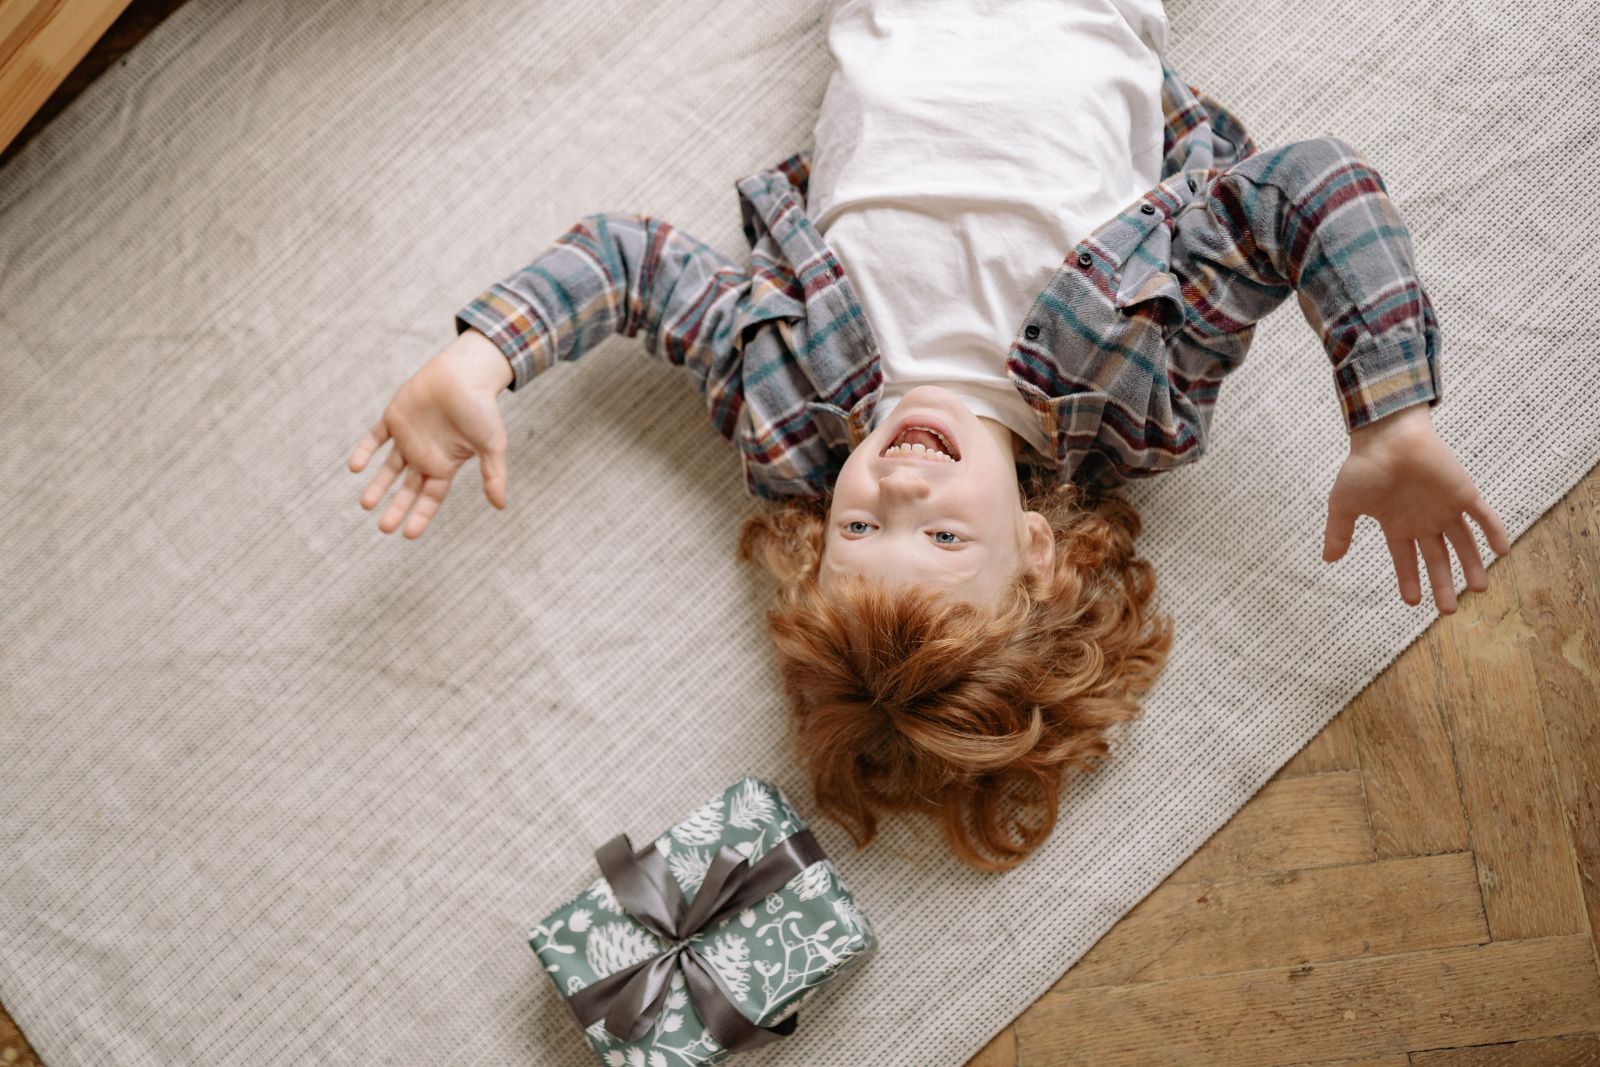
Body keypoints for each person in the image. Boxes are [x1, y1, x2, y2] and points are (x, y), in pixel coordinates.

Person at [347, 0, 1510, 871]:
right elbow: (1311, 185)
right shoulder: (1136, 393)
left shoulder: (789, 409)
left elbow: (629, 263)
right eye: (943, 534)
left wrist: (486, 352)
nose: (898, 477)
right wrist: (1387, 414)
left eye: (859, 521)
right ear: (1042, 556)